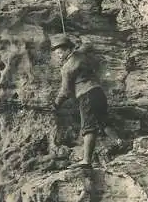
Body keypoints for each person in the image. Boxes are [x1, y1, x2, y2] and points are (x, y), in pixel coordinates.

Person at [51, 34, 127, 169]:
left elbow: (66, 90)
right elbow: (88, 44)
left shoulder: (67, 68)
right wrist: (76, 42)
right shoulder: (81, 53)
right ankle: (120, 142)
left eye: (60, 52)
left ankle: (86, 161)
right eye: (57, 54)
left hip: (86, 95)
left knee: (88, 126)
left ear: (68, 50)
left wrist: (56, 104)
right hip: (98, 92)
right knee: (103, 121)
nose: (59, 56)